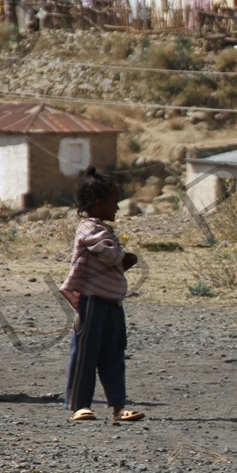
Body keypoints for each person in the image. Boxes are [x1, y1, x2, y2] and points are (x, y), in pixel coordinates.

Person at [61, 168, 144, 423]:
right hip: (92, 303)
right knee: (85, 355)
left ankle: (118, 407)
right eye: (115, 202)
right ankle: (80, 405)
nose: (118, 208)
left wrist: (122, 260)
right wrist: (121, 257)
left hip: (112, 304)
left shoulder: (103, 228)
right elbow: (105, 252)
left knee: (114, 355)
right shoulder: (88, 227)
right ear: (99, 203)